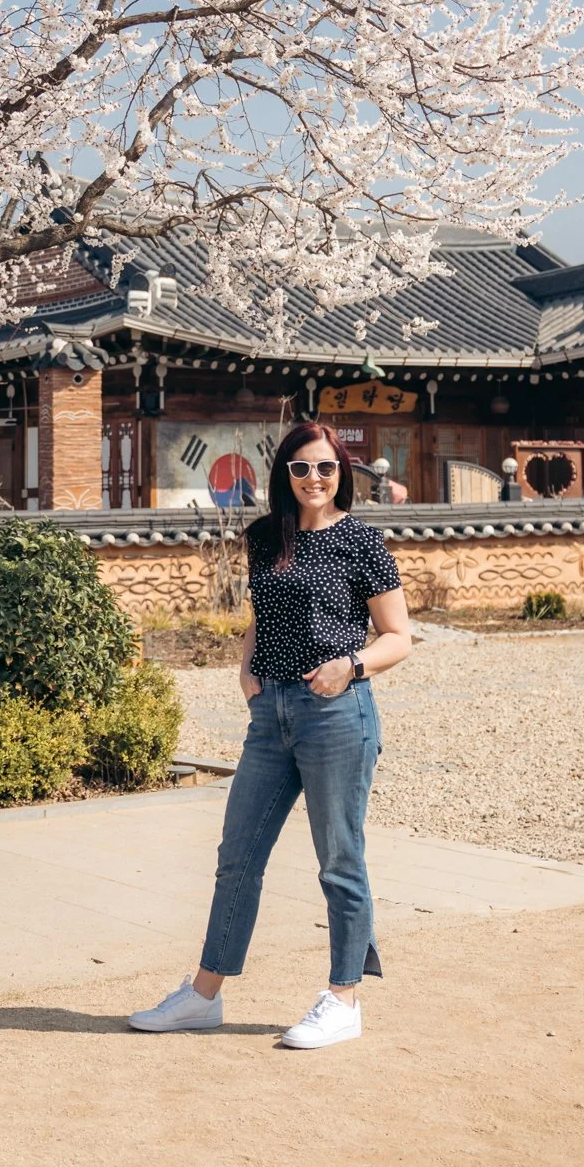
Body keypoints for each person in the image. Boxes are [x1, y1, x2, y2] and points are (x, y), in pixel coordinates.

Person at [129, 419, 412, 1048]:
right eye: (302, 467)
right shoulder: (266, 538)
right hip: (270, 717)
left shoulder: (363, 543)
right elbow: (266, 615)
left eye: (327, 467)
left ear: (343, 474)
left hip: (337, 714)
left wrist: (351, 666)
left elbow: (399, 637)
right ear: (284, 475)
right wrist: (247, 665)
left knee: (339, 858)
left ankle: (344, 998)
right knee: (237, 858)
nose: (314, 478)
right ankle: (204, 995)